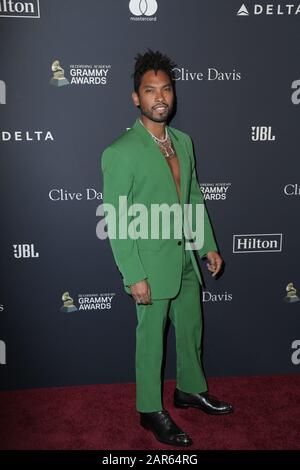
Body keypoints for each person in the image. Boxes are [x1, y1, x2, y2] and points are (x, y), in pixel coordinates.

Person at [101, 49, 233, 447]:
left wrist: (207, 244)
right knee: (151, 340)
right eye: (149, 90)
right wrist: (134, 274)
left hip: (184, 256)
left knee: (191, 328)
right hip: (149, 262)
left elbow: (192, 195)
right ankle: (149, 410)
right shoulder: (120, 152)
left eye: (166, 89)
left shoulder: (184, 142)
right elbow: (118, 219)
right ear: (135, 98)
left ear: (173, 95)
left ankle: (189, 389)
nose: (160, 97)